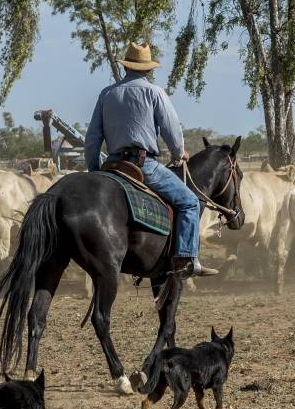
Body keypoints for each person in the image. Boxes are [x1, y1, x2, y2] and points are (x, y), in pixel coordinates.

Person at [84, 42, 218, 278]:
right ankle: (186, 258)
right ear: (147, 70)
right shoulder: (154, 92)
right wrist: (179, 153)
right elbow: (171, 129)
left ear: (126, 67)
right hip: (143, 165)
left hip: (113, 165)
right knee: (189, 202)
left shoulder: (107, 94)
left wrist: (94, 171)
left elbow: (92, 138)